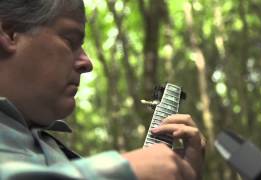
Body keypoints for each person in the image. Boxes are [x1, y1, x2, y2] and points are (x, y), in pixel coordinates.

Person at [0, 0, 206, 179]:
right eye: (69, 40)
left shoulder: (46, 143)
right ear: (9, 33)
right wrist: (126, 171)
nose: (87, 62)